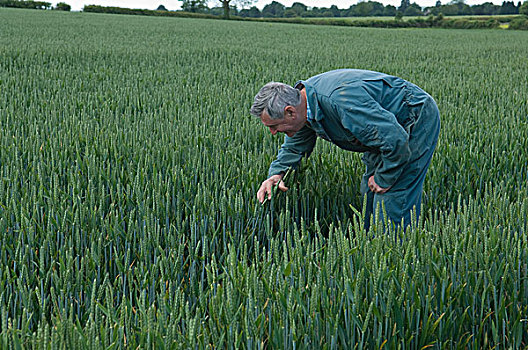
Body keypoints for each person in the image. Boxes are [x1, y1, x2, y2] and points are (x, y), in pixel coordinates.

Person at [250, 69, 440, 230]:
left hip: (412, 117)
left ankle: (394, 255)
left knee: (391, 196)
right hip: (382, 129)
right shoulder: (302, 107)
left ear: (290, 111)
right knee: (370, 192)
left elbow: (396, 140)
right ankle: (373, 248)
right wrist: (276, 174)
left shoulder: (342, 102)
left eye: (273, 126)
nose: (273, 133)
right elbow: (295, 148)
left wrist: (385, 176)